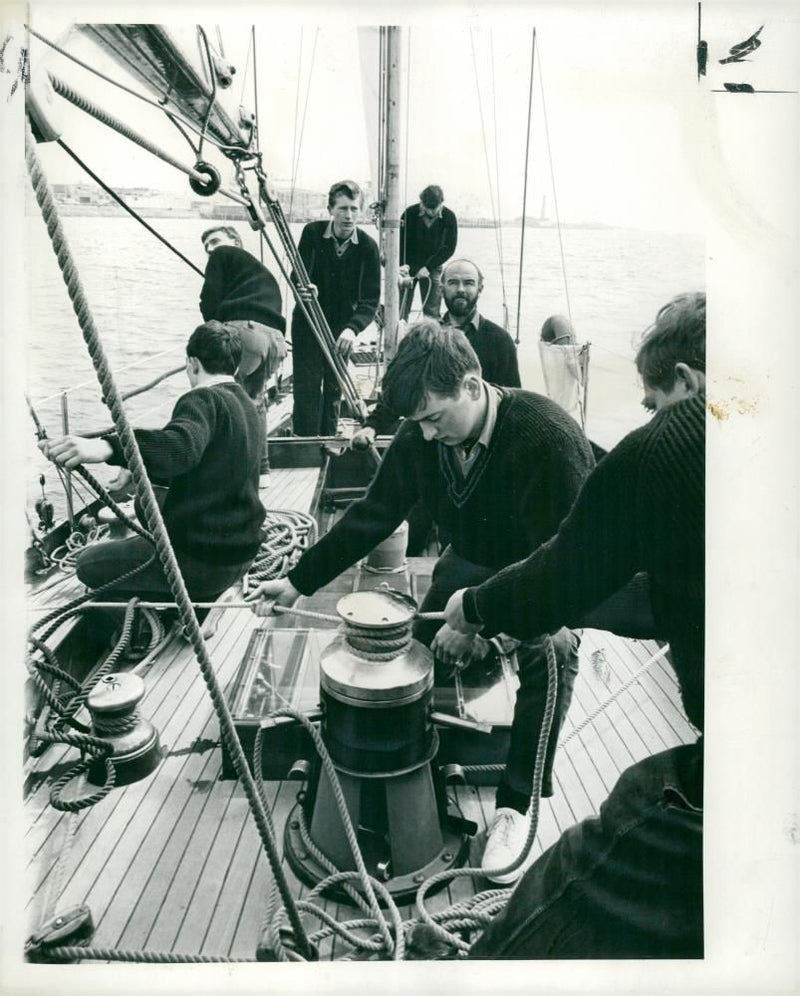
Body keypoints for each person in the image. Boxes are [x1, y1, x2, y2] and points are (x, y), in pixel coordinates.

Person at [247, 321, 595, 881]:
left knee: (553, 655)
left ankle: (514, 804)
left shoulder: (549, 439)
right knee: (415, 655)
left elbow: (574, 570)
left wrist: (486, 624)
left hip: (547, 576)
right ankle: (424, 755)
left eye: (435, 418)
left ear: (473, 384)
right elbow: (373, 514)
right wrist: (298, 581)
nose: (428, 436)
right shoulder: (422, 436)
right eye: (418, 424)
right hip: (470, 564)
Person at [443, 292, 706, 957]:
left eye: (652, 404)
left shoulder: (671, 442)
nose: (651, 419)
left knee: (569, 880)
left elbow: (565, 571)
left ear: (685, 381)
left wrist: (477, 610)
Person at [39, 322, 266, 601]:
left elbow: (181, 447)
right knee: (144, 505)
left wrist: (106, 448)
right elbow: (210, 460)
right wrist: (135, 467)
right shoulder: (246, 404)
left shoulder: (203, 399)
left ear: (192, 363)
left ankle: (178, 604)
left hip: (202, 565)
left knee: (88, 564)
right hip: (240, 556)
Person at [352, 258, 520, 450]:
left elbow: (510, 400)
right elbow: (397, 391)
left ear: (480, 289)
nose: (461, 289)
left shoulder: (499, 340)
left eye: (468, 283)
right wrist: (372, 427)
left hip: (479, 444)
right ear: (440, 289)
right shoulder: (422, 338)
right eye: (453, 282)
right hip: (430, 439)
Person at [290, 180, 381, 437]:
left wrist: (352, 330)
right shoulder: (312, 233)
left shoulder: (367, 247)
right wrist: (304, 289)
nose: (348, 216)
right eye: (342, 208)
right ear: (330, 209)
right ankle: (305, 444)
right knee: (306, 389)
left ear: (360, 211)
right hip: (309, 322)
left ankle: (328, 441)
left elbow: (370, 300)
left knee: (333, 389)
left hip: (342, 329)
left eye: (354, 209)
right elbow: (297, 276)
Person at [199, 225, 287, 487]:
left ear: (234, 241)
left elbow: (209, 301)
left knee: (223, 400)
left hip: (246, 334)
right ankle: (262, 471)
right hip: (275, 341)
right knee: (254, 401)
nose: (211, 249)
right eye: (207, 247)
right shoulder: (255, 271)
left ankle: (231, 476)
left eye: (215, 241)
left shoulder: (222, 255)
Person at [399, 184, 458, 320]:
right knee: (401, 307)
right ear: (422, 203)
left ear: (441, 203)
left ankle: (431, 336)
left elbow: (449, 248)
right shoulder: (409, 213)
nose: (431, 212)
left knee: (432, 310)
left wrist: (428, 267)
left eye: (434, 208)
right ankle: (400, 333)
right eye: (427, 208)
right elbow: (400, 242)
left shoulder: (449, 217)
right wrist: (402, 266)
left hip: (433, 266)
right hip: (407, 266)